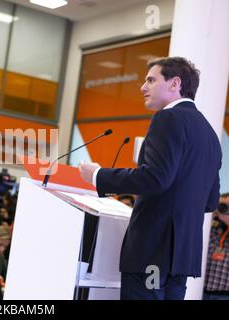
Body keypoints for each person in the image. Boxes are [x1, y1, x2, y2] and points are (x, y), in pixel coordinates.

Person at [79, 57, 222, 300]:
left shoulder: (168, 118)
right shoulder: (209, 134)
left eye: (151, 80)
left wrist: (98, 175)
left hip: (153, 253)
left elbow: (155, 178)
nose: (143, 87)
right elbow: (210, 201)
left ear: (175, 83)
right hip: (181, 259)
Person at [204, 193, 229, 300]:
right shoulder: (211, 226)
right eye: (221, 205)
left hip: (224, 295)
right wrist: (211, 213)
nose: (223, 209)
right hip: (201, 291)